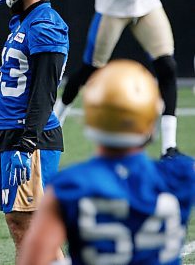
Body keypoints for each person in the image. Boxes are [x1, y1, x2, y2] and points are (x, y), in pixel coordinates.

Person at [19, 60, 194, 265]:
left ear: (92, 116)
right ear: (151, 118)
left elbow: (33, 260)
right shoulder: (182, 175)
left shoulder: (69, 184)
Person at [54, 0, 178, 156]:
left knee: (167, 66)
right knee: (91, 68)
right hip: (115, 2)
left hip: (146, 0)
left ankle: (169, 147)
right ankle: (55, 120)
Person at [0, 0, 69, 263]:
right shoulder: (23, 23)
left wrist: (26, 142)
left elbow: (45, 92)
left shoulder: (44, 24)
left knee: (30, 226)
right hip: (14, 133)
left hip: (31, 137)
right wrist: (0, 141)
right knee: (21, 223)